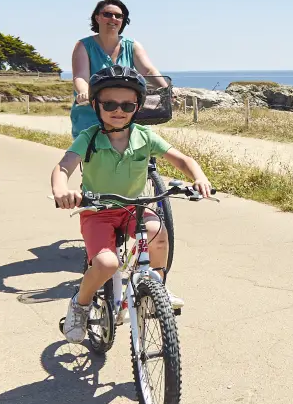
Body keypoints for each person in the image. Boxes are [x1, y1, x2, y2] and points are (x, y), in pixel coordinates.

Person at [51, 66, 212, 344]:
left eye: (127, 105)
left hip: (134, 209)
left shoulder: (144, 136)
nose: (118, 110)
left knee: (158, 234)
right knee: (106, 263)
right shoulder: (88, 137)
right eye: (109, 104)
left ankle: (156, 288)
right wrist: (61, 190)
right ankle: (81, 303)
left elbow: (182, 160)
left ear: (137, 107)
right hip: (97, 212)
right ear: (95, 105)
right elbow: (63, 167)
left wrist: (198, 178)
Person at [71, 0, 163, 138]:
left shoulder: (132, 46)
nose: (113, 18)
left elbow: (148, 71)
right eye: (107, 14)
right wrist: (84, 92)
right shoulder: (84, 46)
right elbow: (81, 76)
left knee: (142, 144)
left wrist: (166, 88)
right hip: (94, 112)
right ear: (97, 17)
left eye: (118, 16)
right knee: (92, 151)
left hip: (125, 111)